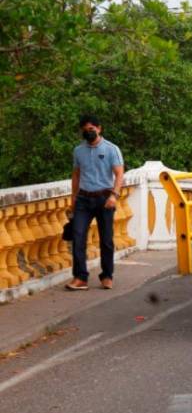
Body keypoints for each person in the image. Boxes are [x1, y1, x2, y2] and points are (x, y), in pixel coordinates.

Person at [67, 114, 125, 291]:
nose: (88, 132)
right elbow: (76, 175)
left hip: (105, 199)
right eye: (85, 130)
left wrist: (114, 196)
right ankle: (80, 277)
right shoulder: (78, 151)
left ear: (99, 129)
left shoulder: (111, 149)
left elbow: (119, 174)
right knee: (78, 237)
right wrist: (73, 200)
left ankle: (107, 276)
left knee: (106, 239)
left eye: (91, 129)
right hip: (83, 200)